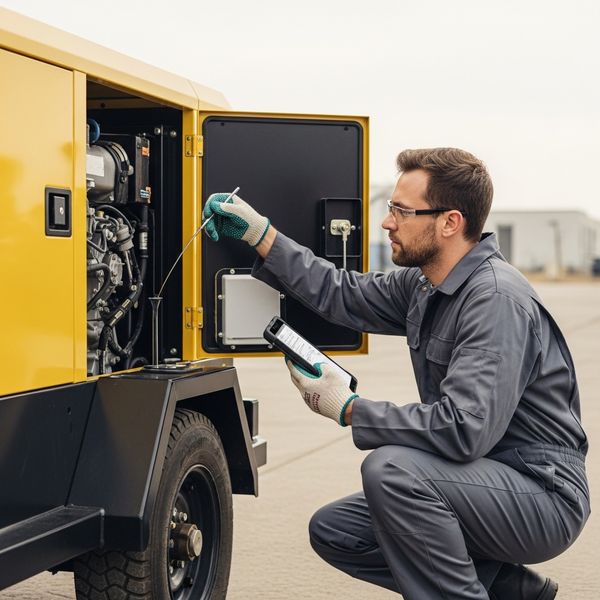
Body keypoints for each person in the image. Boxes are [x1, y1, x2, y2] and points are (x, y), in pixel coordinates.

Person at [202, 148, 590, 600]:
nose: (388, 223)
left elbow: (465, 430)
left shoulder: (495, 300)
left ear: (449, 222)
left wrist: (350, 409)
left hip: (540, 493)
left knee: (393, 472)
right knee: (337, 530)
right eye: (392, 210)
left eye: (401, 211)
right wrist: (263, 235)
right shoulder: (426, 284)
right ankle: (512, 589)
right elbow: (340, 293)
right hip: (480, 479)